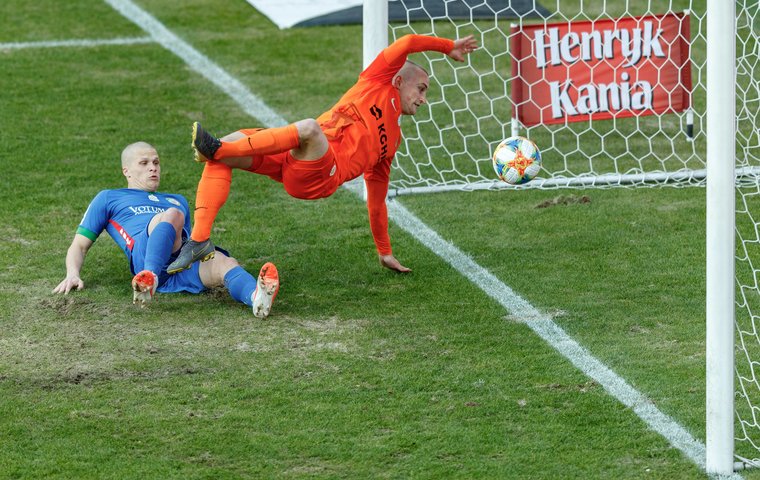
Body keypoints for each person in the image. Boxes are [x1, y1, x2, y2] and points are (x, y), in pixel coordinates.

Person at [166, 33, 478, 275]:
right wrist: (448, 45)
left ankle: (216, 149)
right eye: (421, 88)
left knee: (308, 128)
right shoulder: (375, 80)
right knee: (232, 145)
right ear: (398, 80)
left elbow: (377, 199)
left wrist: (384, 249)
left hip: (319, 177)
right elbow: (408, 42)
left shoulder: (391, 143)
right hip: (296, 158)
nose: (423, 98)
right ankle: (199, 239)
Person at [53, 141, 279, 318]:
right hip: (144, 255)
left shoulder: (176, 200)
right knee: (171, 216)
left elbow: (189, 242)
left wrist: (209, 260)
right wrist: (72, 274)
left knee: (225, 262)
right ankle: (149, 277)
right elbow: (80, 245)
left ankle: (256, 298)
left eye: (156, 162)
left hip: (177, 263)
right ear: (126, 171)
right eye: (144, 163)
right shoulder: (109, 198)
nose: (153, 167)